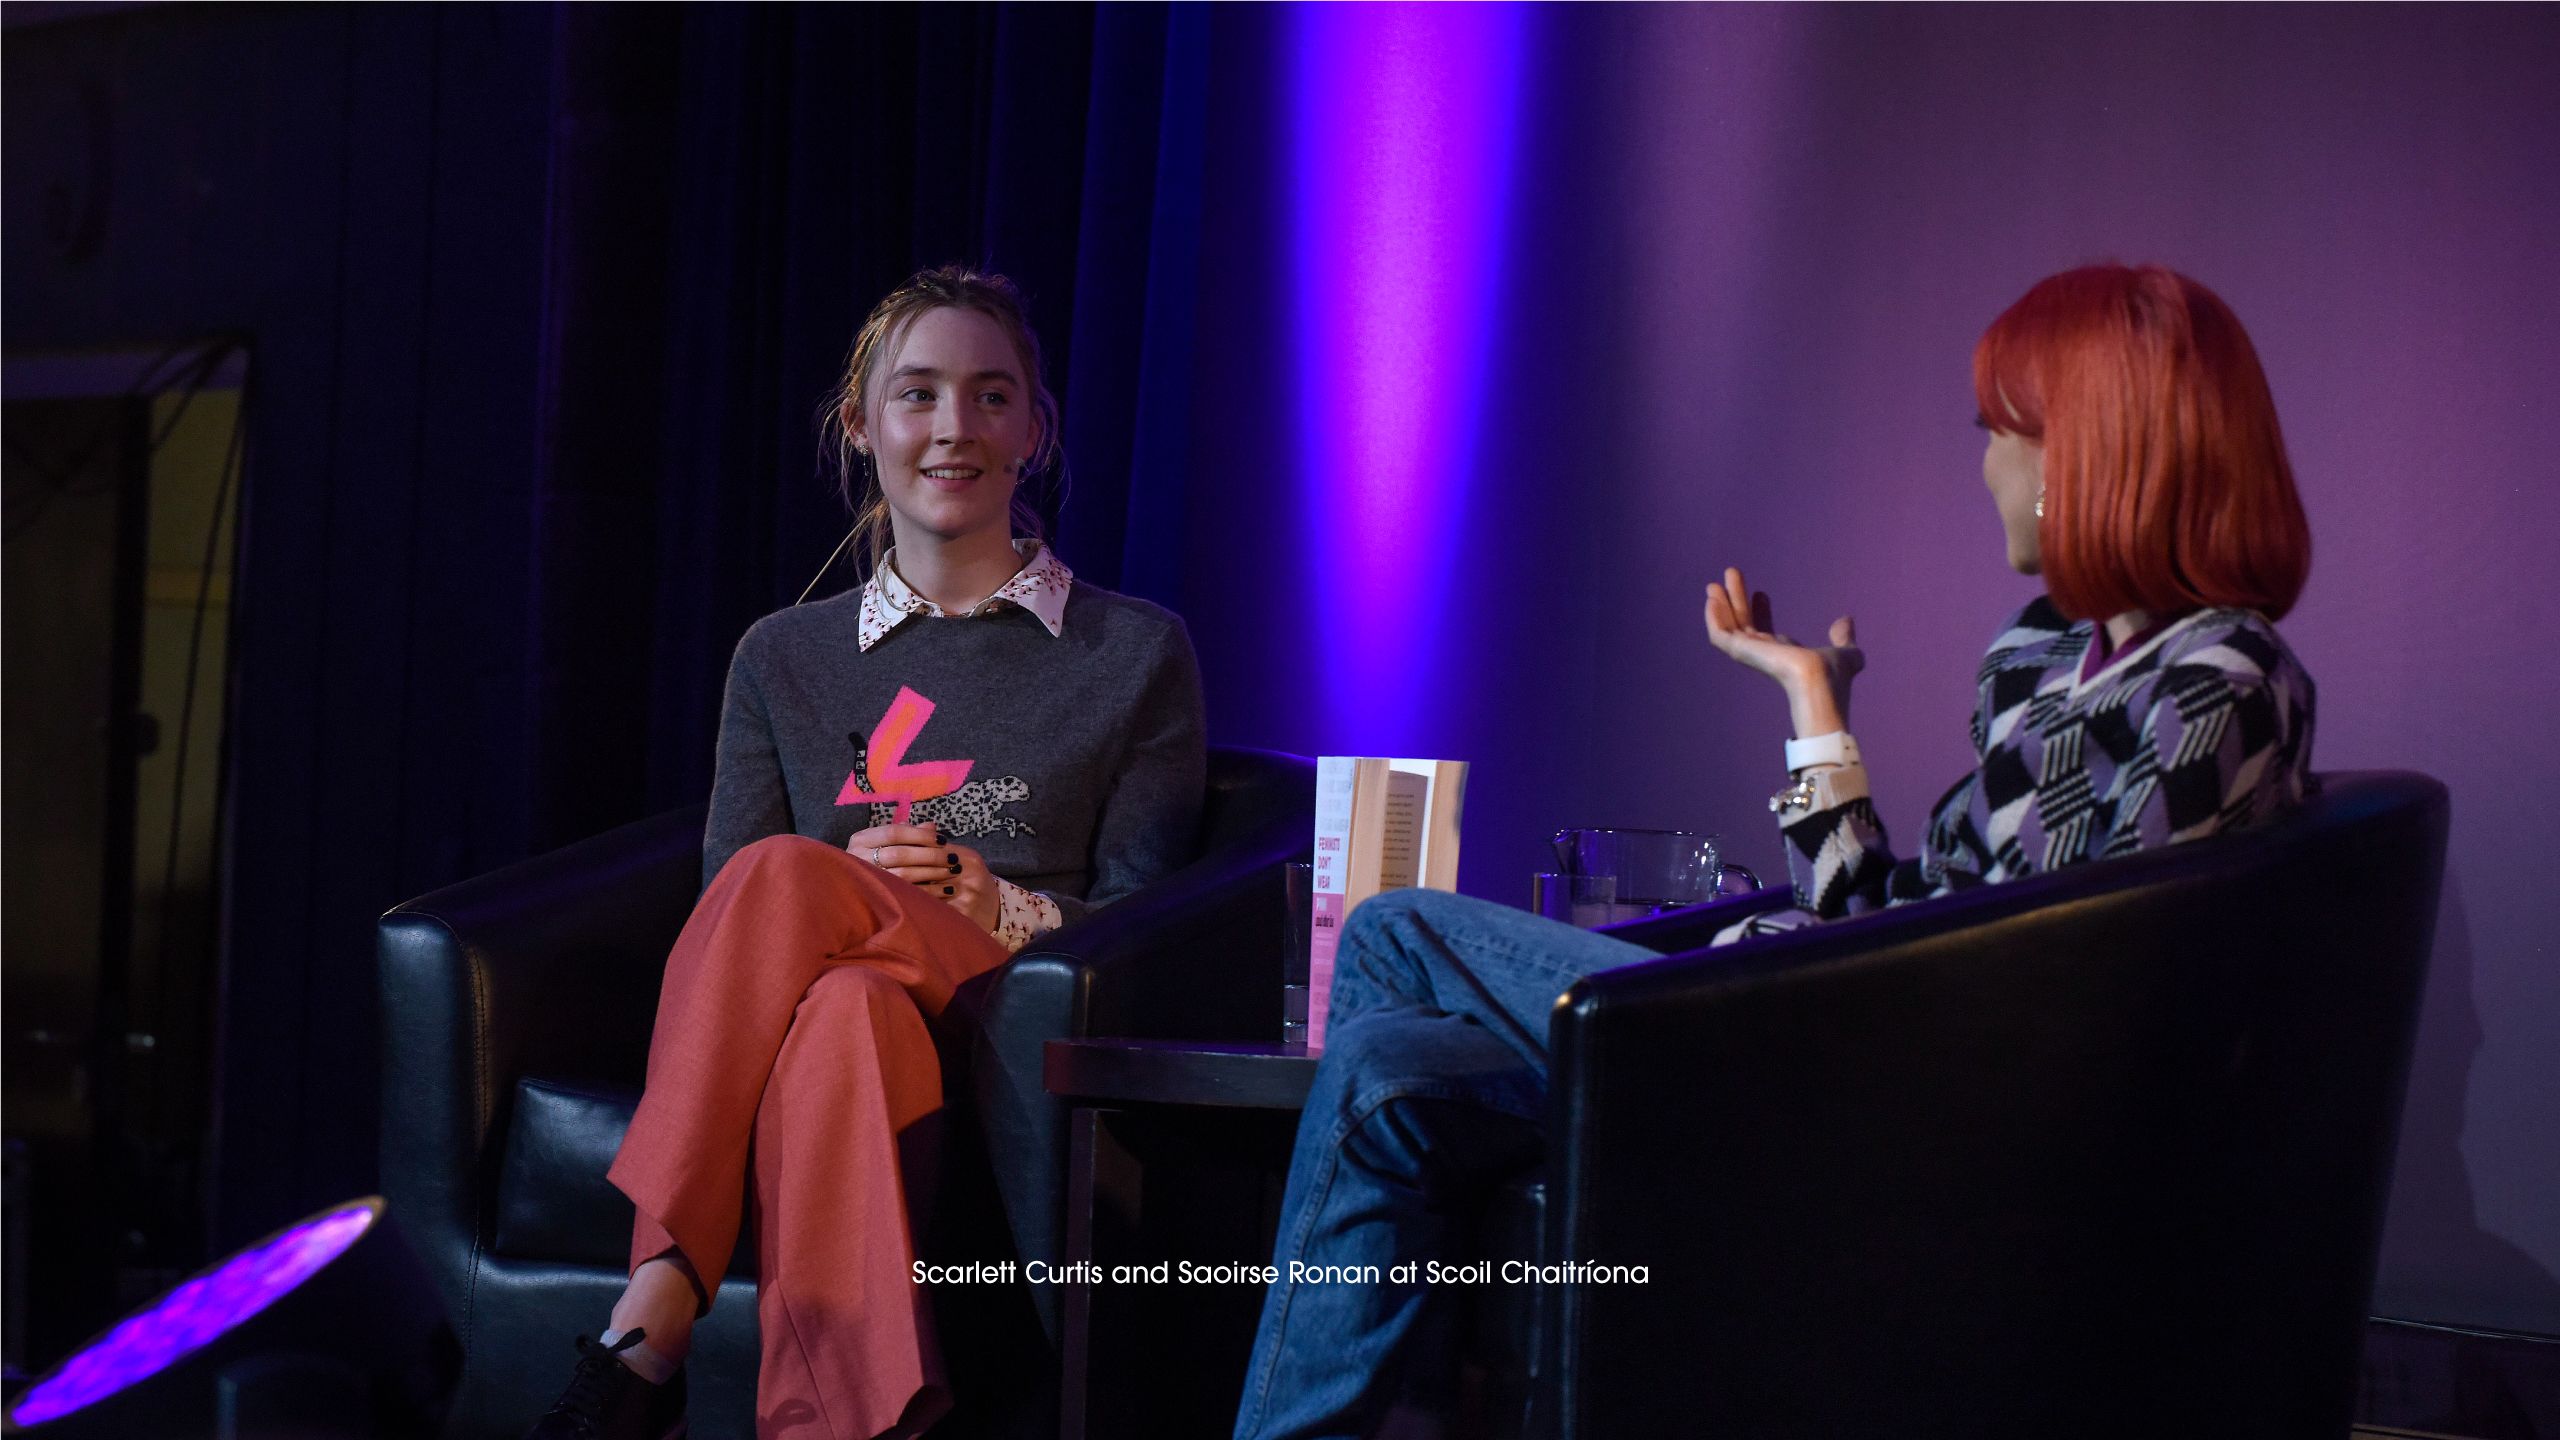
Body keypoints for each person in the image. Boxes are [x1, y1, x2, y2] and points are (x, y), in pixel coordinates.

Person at [1229, 263, 2317, 1440]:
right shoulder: (2041, 659)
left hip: (1874, 1078)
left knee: (1394, 931)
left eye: (2003, 433)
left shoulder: (2219, 682)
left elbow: (2064, 992)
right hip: (1829, 1027)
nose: (1988, 465)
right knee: (1385, 1077)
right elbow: (1884, 913)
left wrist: (1807, 981)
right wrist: (1813, 703)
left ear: (2083, 455)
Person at [527, 266, 1208, 1440]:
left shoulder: (1131, 651)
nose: (955, 428)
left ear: (1034, 431)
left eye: (993, 397)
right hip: (859, 1011)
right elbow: (722, 923)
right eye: (919, 395)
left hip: (1016, 1011)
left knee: (794, 873)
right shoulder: (782, 657)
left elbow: (1151, 923)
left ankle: (655, 1306)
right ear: (862, 424)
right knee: (840, 1008)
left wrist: (998, 903)